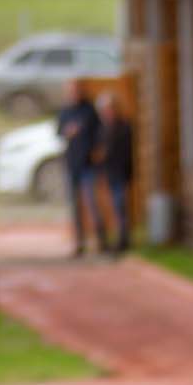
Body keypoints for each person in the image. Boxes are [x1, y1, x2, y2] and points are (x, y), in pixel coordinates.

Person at [56, 80, 105, 256]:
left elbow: (100, 133)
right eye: (71, 91)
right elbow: (58, 131)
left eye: (76, 90)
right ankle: (79, 242)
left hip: (88, 164)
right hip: (72, 163)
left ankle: (100, 240)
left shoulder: (89, 110)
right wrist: (67, 132)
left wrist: (97, 151)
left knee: (92, 203)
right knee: (74, 206)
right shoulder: (64, 111)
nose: (74, 94)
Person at [93, 92, 134, 254]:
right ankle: (114, 239)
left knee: (120, 206)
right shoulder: (102, 128)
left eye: (109, 109)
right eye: (104, 110)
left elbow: (121, 151)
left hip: (121, 172)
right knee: (113, 207)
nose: (107, 112)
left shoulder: (124, 127)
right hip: (109, 173)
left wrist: (105, 154)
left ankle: (123, 240)